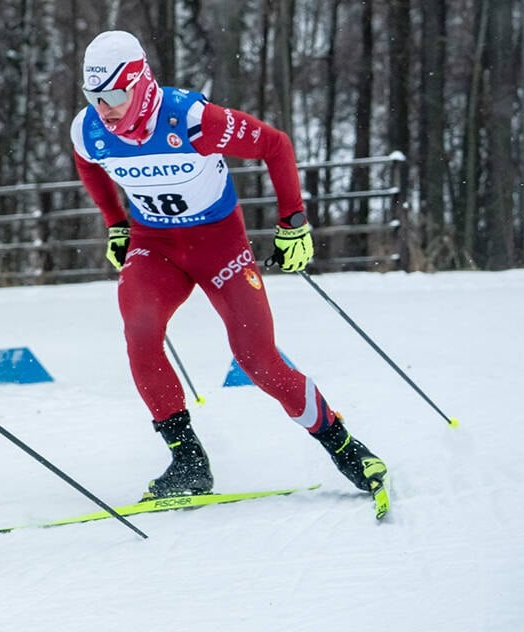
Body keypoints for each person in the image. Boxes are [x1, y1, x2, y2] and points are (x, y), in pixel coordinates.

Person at [70, 30, 387, 500]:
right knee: (139, 329)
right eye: (95, 97)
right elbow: (88, 164)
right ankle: (187, 460)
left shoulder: (193, 119)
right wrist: (117, 223)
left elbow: (275, 146)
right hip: (154, 245)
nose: (105, 108)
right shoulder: (88, 129)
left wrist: (293, 223)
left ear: (140, 82)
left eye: (115, 94)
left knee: (257, 359)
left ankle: (344, 446)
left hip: (219, 246)